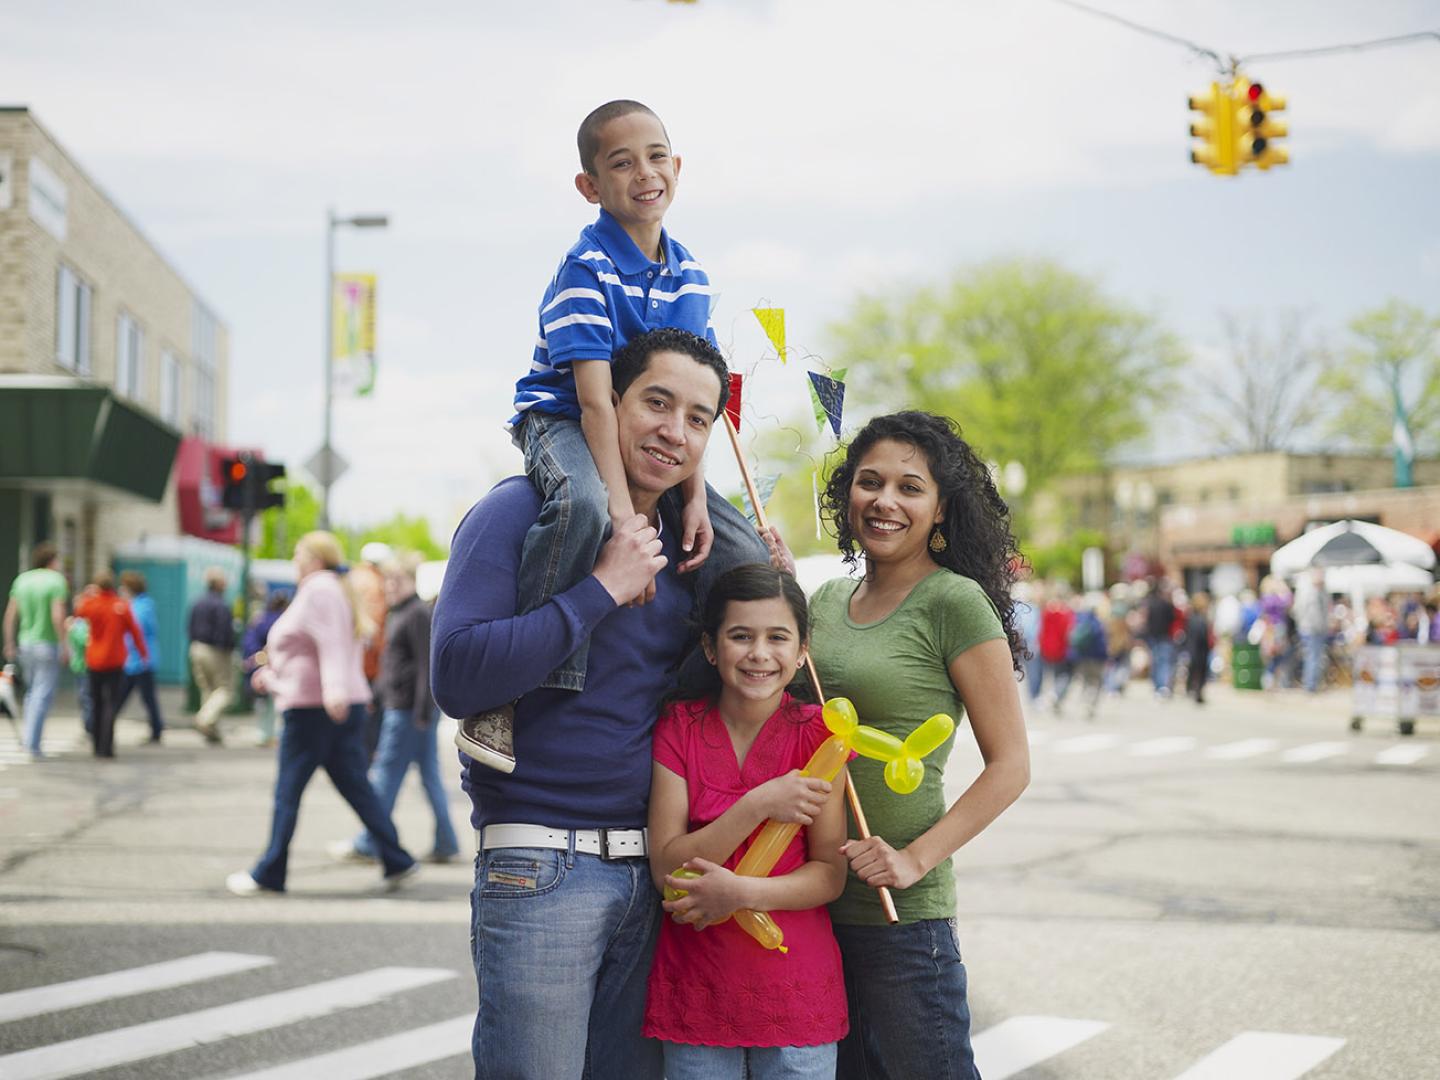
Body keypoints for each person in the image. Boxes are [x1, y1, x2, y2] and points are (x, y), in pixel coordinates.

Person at [432, 328, 754, 1080]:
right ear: (610, 403)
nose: (675, 431)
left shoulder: (695, 546)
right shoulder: (521, 513)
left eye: (700, 417)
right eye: (657, 402)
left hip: (658, 878)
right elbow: (455, 675)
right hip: (542, 866)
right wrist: (601, 588)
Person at [460, 99, 760, 772]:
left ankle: (709, 698)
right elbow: (598, 404)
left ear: (677, 167)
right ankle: (504, 700)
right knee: (585, 506)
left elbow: (697, 398)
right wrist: (626, 518)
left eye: (656, 156)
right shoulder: (584, 269)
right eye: (621, 163)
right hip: (564, 416)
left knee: (739, 549)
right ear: (590, 186)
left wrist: (695, 500)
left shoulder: (691, 275)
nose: (644, 172)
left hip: (648, 429)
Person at [771, 411, 1030, 1080]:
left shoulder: (954, 602)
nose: (885, 501)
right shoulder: (824, 599)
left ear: (940, 508)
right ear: (847, 496)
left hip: (902, 922)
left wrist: (915, 858)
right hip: (813, 904)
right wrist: (779, 596)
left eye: (909, 487)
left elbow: (1011, 766)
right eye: (870, 482)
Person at [645, 565, 848, 1079]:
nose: (760, 653)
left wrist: (741, 894)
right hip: (699, 986)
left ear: (802, 649)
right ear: (711, 649)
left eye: (778, 637)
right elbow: (666, 866)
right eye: (741, 636)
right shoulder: (678, 728)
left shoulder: (822, 737)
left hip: (794, 989)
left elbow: (829, 872)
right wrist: (756, 804)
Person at [227, 532, 417, 896]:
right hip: (328, 705)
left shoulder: (320, 590)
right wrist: (274, 675)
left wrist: (333, 692)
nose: (295, 560)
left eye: (298, 553)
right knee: (356, 788)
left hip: (315, 709)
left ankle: (270, 871)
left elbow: (330, 645)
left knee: (288, 792)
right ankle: (397, 859)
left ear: (314, 559)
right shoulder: (329, 588)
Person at [330, 551, 459, 865]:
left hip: (407, 711)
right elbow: (395, 665)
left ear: (410, 581)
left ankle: (368, 842)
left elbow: (426, 667)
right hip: (404, 707)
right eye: (387, 580)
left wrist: (422, 710)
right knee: (427, 778)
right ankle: (446, 841)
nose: (389, 586)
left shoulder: (415, 613)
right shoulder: (399, 611)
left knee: (386, 775)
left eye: (396, 580)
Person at [3, 541, 69, 759]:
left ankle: (28, 738)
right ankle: (32, 743)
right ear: (52, 561)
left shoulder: (22, 580)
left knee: (32, 693)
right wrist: (65, 645)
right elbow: (58, 616)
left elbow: (10, 615)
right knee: (42, 694)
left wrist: (9, 642)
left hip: (26, 643)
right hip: (47, 643)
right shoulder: (55, 581)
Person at [76, 571, 147, 759]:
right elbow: (135, 632)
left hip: (94, 660)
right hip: (115, 661)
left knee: (96, 702)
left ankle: (96, 745)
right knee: (110, 704)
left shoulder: (92, 603)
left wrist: (86, 594)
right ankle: (107, 746)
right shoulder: (121, 606)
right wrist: (143, 654)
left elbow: (79, 612)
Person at [115, 571, 164, 743]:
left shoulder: (140, 607)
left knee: (125, 696)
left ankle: (156, 729)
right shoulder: (138, 604)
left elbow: (137, 631)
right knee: (144, 697)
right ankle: (156, 729)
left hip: (140, 660)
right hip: (136, 659)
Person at [188, 567, 235, 744]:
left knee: (207, 690)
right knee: (224, 690)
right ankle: (205, 719)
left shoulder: (197, 602)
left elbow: (189, 626)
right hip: (215, 650)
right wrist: (229, 649)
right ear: (218, 584)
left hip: (196, 647)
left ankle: (211, 730)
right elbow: (225, 631)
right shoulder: (221, 604)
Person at [242, 592, 289, 748]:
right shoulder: (281, 620)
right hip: (275, 666)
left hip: (257, 664)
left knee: (263, 704)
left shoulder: (259, 619)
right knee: (274, 704)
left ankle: (263, 734)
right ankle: (272, 735)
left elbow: (248, 641)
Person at [1292, 568, 1330, 693]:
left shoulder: (1323, 591)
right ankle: (1310, 686)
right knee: (1312, 657)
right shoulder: (1307, 592)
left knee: (1316, 657)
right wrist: (1302, 625)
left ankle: (1312, 684)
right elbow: (1299, 610)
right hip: (1310, 629)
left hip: (1320, 629)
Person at [1142, 578, 1178, 698]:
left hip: (1153, 636)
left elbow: (1146, 622)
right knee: (1164, 662)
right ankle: (1163, 686)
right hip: (1164, 637)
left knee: (1156, 662)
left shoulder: (1150, 604)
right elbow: (1173, 619)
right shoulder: (1167, 604)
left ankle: (1157, 686)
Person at [1185, 592, 1214, 704]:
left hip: (1196, 648)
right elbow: (1201, 635)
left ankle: (1194, 690)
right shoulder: (1198, 618)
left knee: (1196, 670)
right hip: (1199, 648)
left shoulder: (1193, 617)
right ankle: (1196, 690)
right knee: (1199, 670)